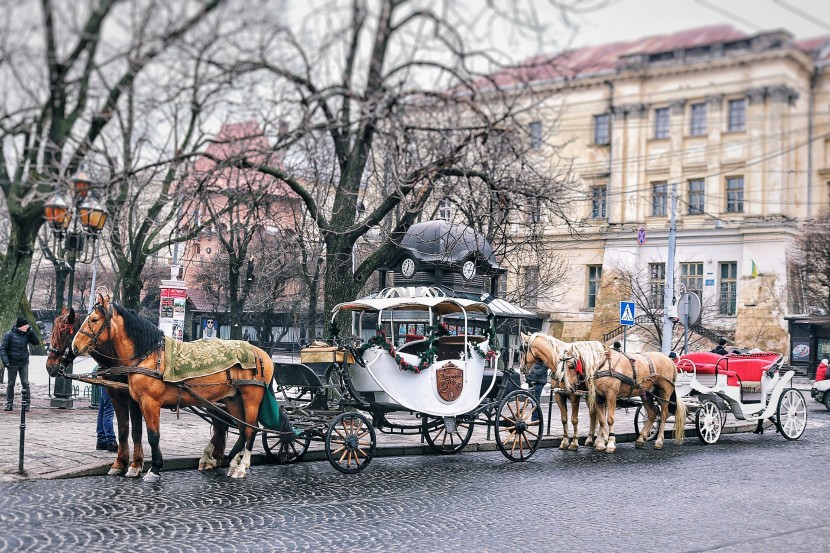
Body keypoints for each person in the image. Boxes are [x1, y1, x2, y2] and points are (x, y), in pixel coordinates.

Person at [1, 317, 40, 411]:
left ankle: (27, 404)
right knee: (11, 384)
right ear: (20, 326)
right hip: (12, 363)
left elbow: (36, 342)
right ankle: (9, 404)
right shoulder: (9, 335)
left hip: (23, 362)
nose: (27, 326)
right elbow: (3, 349)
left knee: (25, 383)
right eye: (25, 325)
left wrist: (31, 332)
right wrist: (6, 362)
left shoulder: (27, 334)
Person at [95, 384, 118, 452]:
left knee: (103, 408)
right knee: (108, 409)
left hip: (103, 377)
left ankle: (101, 440)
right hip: (109, 378)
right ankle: (111, 441)